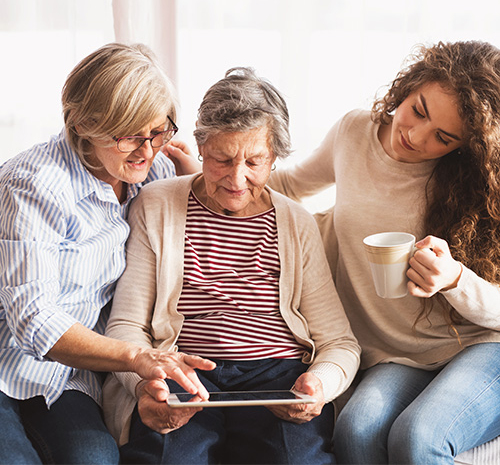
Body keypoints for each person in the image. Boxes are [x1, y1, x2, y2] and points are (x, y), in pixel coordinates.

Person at [102, 67, 361, 464]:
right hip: (184, 371)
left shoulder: (296, 222)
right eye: (222, 159)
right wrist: (145, 382)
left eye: (255, 161)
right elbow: (126, 327)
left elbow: (339, 344)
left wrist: (318, 385)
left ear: (275, 156)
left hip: (278, 377)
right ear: (200, 148)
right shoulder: (156, 205)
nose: (237, 180)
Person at [267, 40, 500, 464]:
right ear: (408, 87)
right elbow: (287, 187)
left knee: (417, 438)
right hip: (399, 354)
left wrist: (454, 279)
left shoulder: (479, 188)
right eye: (418, 111)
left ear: (465, 146)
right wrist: (204, 172)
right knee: (356, 431)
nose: (414, 135)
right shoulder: (353, 132)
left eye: (443, 138)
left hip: (483, 347)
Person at [0, 42, 215, 465]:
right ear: (84, 124)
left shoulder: (154, 169)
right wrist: (137, 357)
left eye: (158, 130)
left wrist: (198, 176)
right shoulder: (32, 184)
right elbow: (33, 320)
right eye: (129, 136)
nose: (147, 148)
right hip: (8, 359)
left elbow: (219, 204)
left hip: (68, 376)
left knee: (96, 459)